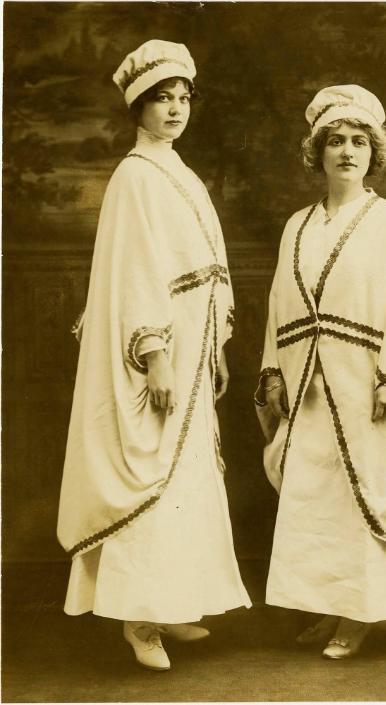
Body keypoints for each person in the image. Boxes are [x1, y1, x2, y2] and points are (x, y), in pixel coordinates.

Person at [57, 40, 251, 671]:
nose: (174, 109)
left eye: (182, 98)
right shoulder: (135, 177)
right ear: (138, 107)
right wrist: (156, 354)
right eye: (161, 99)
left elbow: (206, 269)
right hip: (161, 351)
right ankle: (137, 620)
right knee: (152, 472)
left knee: (186, 478)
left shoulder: (180, 173)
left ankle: (170, 603)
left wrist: (216, 343)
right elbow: (138, 273)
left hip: (195, 348)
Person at [255, 85, 386, 659]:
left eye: (360, 141)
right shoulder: (298, 225)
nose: (347, 151)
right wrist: (275, 373)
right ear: (318, 153)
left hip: (363, 385)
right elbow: (278, 303)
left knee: (360, 496)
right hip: (308, 383)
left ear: (375, 152)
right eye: (335, 140)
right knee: (317, 503)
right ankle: (329, 605)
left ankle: (359, 616)